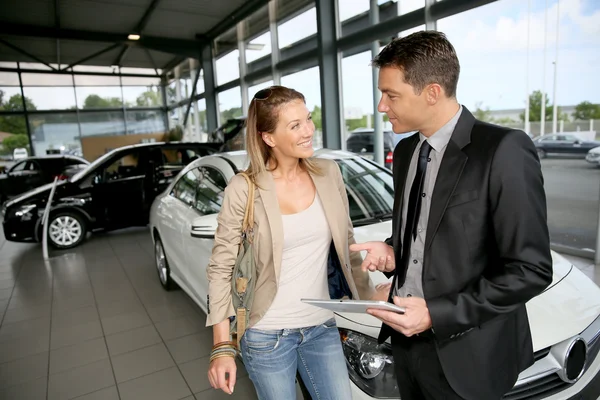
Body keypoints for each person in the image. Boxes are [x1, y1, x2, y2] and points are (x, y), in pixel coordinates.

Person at [350, 31, 553, 400]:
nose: (382, 106)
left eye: (391, 95)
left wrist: (436, 315)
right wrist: (394, 250)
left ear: (431, 92)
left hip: (469, 354)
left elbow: (530, 270)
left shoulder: (502, 150)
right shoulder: (408, 151)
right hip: (405, 345)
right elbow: (425, 231)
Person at [206, 85, 375, 399]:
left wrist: (370, 299)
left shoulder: (328, 173)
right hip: (266, 334)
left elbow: (346, 243)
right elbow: (221, 269)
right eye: (295, 125)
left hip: (321, 326)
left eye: (308, 119)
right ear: (269, 138)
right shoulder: (245, 188)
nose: (309, 130)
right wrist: (221, 347)